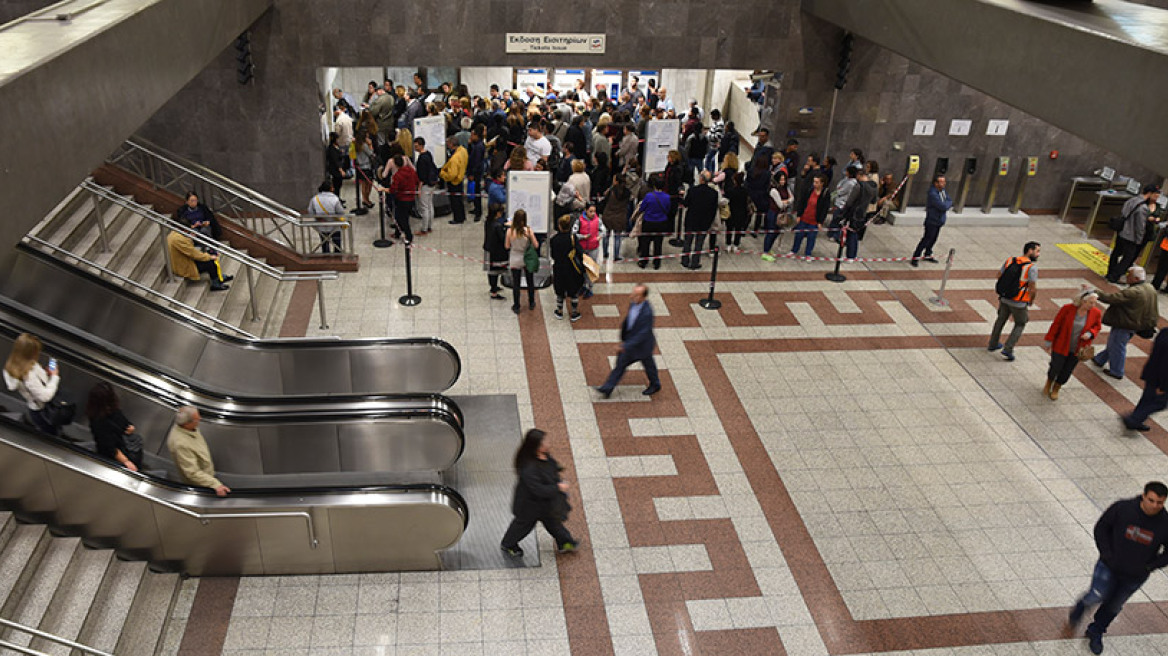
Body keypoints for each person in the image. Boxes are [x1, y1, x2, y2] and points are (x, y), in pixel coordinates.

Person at [1069, 482, 1168, 654]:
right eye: (1151, 500)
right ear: (1143, 496)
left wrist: (1150, 566)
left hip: (1135, 575)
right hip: (1108, 567)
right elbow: (1101, 528)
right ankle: (1082, 606)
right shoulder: (1123, 508)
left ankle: (1096, 630)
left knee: (1114, 606)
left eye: (1160, 503)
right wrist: (1107, 555)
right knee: (1096, 594)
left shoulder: (1165, 523)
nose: (1155, 506)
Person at [499, 428, 580, 557]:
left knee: (554, 523)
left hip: (545, 504)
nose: (548, 444)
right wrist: (558, 487)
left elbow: (550, 466)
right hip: (529, 506)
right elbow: (538, 490)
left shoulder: (544, 455)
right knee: (522, 527)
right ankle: (508, 544)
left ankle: (565, 542)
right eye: (544, 443)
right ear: (535, 447)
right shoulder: (529, 468)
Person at [1092, 266, 1159, 379]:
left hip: (1126, 322)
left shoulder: (1133, 292)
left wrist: (1095, 292)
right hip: (1137, 322)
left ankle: (1117, 371)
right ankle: (1100, 359)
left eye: (1129, 275)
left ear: (1136, 279)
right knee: (1115, 343)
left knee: (1117, 345)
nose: (1127, 276)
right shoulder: (1149, 287)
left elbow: (1112, 298)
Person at [594, 284, 660, 398]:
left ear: (643, 297)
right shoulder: (633, 304)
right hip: (631, 343)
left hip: (642, 346)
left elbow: (643, 334)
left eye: (636, 295)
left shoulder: (647, 313)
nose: (632, 296)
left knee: (649, 366)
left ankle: (655, 384)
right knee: (620, 365)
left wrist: (626, 345)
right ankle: (607, 388)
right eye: (633, 293)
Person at [1043, 289, 1102, 401]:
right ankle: (1049, 381)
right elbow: (1056, 324)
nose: (1093, 305)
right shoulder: (1067, 309)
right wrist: (1049, 339)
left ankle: (1057, 387)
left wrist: (1090, 333)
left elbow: (1097, 327)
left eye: (1095, 303)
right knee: (1055, 366)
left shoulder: (1096, 313)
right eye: (1091, 302)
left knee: (1067, 370)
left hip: (1078, 349)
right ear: (1083, 301)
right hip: (1061, 345)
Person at [988, 241, 1041, 362]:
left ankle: (993, 343)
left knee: (1000, 320)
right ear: (1030, 251)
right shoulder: (1031, 268)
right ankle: (1008, 348)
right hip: (1019, 302)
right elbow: (1032, 287)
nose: (1038, 254)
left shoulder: (1010, 260)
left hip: (1004, 297)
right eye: (1037, 251)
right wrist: (1031, 300)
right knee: (1020, 323)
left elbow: (998, 275)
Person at [3, 333, 62, 435]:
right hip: (43, 411)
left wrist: (46, 374)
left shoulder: (12, 365)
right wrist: (54, 376)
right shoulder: (28, 376)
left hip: (38, 410)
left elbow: (36, 381)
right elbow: (44, 397)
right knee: (51, 435)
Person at [166, 406, 230, 497]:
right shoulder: (180, 444)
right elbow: (192, 473)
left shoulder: (189, 428)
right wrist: (215, 484)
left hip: (208, 475)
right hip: (200, 485)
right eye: (196, 419)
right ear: (187, 423)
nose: (200, 419)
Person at [1107, 185, 1161, 284]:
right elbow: (1140, 226)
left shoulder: (1131, 200)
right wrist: (1139, 240)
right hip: (1131, 236)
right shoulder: (1143, 207)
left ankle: (1110, 272)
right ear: (1150, 193)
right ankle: (1114, 276)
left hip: (1122, 231)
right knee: (1128, 258)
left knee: (1116, 253)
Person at [87, 382, 142, 471]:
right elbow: (111, 448)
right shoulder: (110, 414)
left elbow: (110, 447)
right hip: (121, 453)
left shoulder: (100, 417)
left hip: (115, 452)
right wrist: (127, 461)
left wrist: (126, 462)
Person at [1124, 329, 1168, 430]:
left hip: (1151, 372)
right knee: (1160, 403)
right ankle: (1134, 419)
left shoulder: (1164, 332)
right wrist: (1162, 385)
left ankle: (1136, 418)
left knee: (1146, 399)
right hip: (1162, 379)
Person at [167, 224, 232, 290]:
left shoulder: (175, 234)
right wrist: (209, 257)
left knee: (208, 256)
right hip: (183, 266)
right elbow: (193, 253)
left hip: (184, 260)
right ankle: (215, 283)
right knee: (210, 262)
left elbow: (189, 250)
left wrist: (189, 238)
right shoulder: (179, 240)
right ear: (185, 229)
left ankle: (219, 276)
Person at [550, 215, 586, 321]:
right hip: (571, 268)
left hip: (559, 268)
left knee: (560, 290)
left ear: (559, 226)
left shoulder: (554, 239)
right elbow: (580, 252)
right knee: (573, 291)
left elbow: (553, 255)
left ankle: (559, 311)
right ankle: (574, 312)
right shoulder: (573, 238)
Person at [681, 171, 719, 269]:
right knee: (699, 243)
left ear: (701, 179)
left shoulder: (692, 190)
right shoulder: (713, 193)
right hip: (704, 222)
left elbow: (686, 204)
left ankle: (685, 260)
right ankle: (695, 262)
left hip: (691, 220)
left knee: (687, 241)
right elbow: (713, 210)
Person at [911, 175, 952, 267]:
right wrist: (947, 204)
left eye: (944, 182)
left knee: (934, 239)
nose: (943, 184)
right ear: (936, 183)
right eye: (941, 182)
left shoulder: (943, 191)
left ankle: (928, 253)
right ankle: (916, 256)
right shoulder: (933, 193)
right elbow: (943, 206)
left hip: (939, 220)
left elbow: (949, 200)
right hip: (932, 220)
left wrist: (947, 204)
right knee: (926, 239)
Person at [506, 209, 538, 314]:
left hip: (515, 258)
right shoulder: (528, 230)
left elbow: (506, 246)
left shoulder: (510, 231)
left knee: (516, 283)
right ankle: (532, 302)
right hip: (527, 258)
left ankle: (516, 305)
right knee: (530, 281)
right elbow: (536, 245)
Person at [636, 177, 672, 270]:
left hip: (648, 222)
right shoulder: (667, 197)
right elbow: (668, 209)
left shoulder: (649, 196)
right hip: (661, 222)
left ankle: (644, 261)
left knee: (645, 242)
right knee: (658, 243)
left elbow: (642, 208)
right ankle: (656, 263)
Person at [791, 174, 828, 258]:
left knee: (811, 237)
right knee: (798, 235)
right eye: (814, 182)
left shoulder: (825, 194)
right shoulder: (809, 190)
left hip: (814, 220)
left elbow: (824, 209)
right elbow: (802, 202)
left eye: (817, 182)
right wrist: (799, 215)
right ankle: (794, 250)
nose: (814, 184)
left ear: (822, 183)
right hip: (804, 217)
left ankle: (808, 253)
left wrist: (820, 222)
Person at [760, 170, 793, 261]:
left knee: (777, 232)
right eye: (781, 179)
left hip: (782, 214)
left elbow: (792, 198)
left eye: (784, 180)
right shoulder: (774, 190)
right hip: (773, 213)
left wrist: (786, 202)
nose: (783, 182)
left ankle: (769, 249)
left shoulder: (786, 188)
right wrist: (787, 202)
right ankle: (765, 251)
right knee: (771, 233)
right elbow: (780, 204)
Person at [306, 179, 346, 255]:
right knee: (336, 242)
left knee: (324, 242)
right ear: (330, 188)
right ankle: (337, 256)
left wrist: (317, 217)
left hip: (321, 225)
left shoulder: (315, 199)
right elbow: (341, 212)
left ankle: (326, 255)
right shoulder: (335, 199)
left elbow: (310, 211)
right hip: (334, 226)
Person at [386, 154, 419, 243]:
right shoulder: (412, 171)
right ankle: (397, 233)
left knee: (402, 219)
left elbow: (393, 189)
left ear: (396, 165)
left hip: (401, 200)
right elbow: (416, 181)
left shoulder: (397, 175)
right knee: (401, 217)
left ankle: (409, 236)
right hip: (411, 198)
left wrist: (386, 189)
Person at [601, 173, 631, 262]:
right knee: (617, 237)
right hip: (620, 216)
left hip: (608, 215)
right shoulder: (627, 192)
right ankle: (616, 255)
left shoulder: (611, 191)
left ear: (616, 181)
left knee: (606, 235)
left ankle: (605, 253)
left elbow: (604, 199)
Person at [414, 137, 440, 235]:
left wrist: (419, 188)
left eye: (416, 146)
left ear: (421, 145)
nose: (415, 148)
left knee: (424, 207)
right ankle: (429, 226)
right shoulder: (428, 154)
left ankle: (424, 229)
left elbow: (421, 176)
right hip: (431, 184)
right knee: (429, 205)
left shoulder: (421, 159)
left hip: (424, 185)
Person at [483, 203, 509, 300]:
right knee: (495, 271)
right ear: (497, 213)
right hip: (496, 252)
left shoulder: (488, 222)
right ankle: (494, 291)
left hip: (489, 249)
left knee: (491, 271)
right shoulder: (497, 226)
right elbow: (502, 238)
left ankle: (493, 287)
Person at [441, 135, 468, 225]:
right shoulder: (463, 151)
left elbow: (452, 175)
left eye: (448, 144)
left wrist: (443, 174)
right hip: (460, 178)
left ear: (452, 144)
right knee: (459, 200)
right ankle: (462, 216)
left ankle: (458, 218)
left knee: (455, 201)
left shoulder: (454, 158)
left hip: (454, 182)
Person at [724, 172, 750, 253]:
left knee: (729, 229)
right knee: (738, 230)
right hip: (742, 212)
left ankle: (728, 245)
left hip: (731, 212)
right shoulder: (745, 191)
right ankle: (736, 245)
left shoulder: (730, 191)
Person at [324, 131, 348, 200]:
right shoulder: (331, 149)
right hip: (335, 170)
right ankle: (336, 199)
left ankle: (338, 198)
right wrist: (341, 170)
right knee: (336, 185)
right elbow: (335, 161)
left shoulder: (336, 147)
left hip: (338, 169)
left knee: (339, 185)